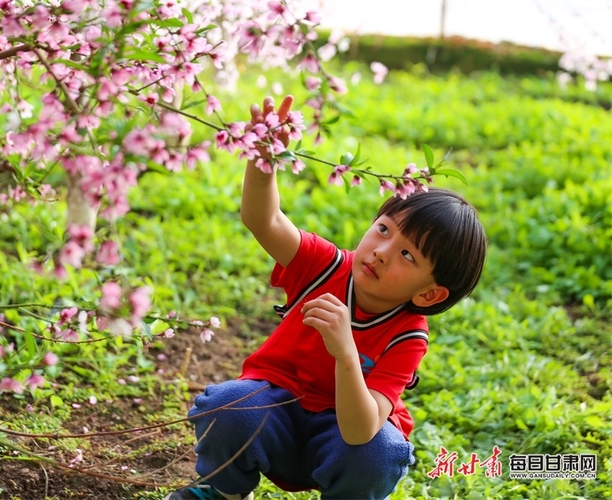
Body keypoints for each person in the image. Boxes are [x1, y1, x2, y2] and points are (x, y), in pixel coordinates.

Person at [164, 96, 487, 500]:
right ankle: (223, 493)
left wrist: (346, 353)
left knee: (378, 455)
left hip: (341, 436)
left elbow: (359, 431)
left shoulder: (407, 337)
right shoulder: (326, 266)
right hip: (275, 413)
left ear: (429, 293)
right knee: (229, 407)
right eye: (384, 230)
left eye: (408, 255)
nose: (382, 252)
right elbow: (264, 220)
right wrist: (263, 159)